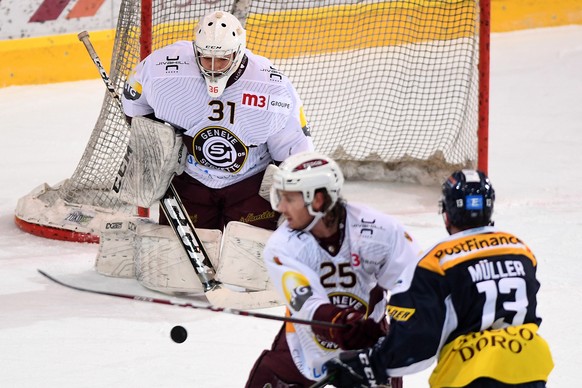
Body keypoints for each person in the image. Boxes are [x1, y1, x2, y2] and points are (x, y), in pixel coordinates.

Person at [324, 169, 554, 387]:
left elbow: (417, 343)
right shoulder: (520, 249)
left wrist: (370, 364)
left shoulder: (436, 262)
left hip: (471, 376)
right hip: (529, 368)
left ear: (447, 213)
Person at [121, 10, 313, 231]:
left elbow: (294, 148)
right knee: (176, 259)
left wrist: (296, 197)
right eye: (206, 58)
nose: (213, 66)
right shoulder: (163, 68)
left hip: (249, 182)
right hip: (189, 179)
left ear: (238, 52)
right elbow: (134, 102)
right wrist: (158, 142)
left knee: (250, 260)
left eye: (222, 59)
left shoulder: (272, 88)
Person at [245, 151, 421, 387]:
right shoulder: (282, 246)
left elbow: (414, 282)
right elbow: (307, 303)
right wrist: (341, 319)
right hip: (305, 338)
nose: (281, 207)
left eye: (290, 199)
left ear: (317, 200)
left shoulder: (380, 231)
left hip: (367, 335)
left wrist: (403, 330)